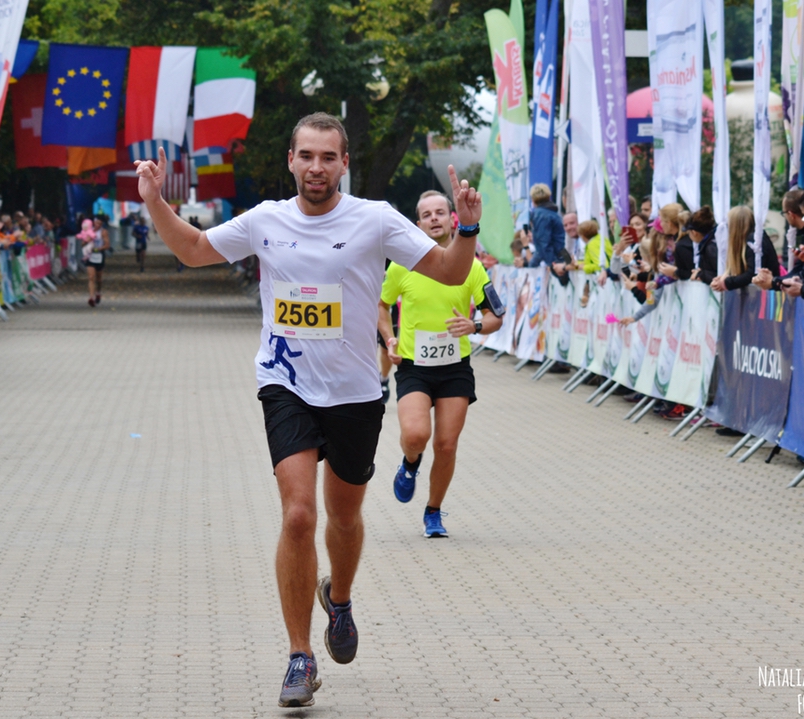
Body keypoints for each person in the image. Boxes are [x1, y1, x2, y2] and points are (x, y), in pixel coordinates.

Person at [134, 112, 481, 709]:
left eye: (328, 157)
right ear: (290, 160)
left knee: (343, 518)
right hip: (286, 384)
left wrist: (467, 227)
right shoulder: (267, 219)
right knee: (298, 515)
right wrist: (153, 200)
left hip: (355, 393)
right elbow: (193, 249)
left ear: (344, 163)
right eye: (306, 156)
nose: (316, 167)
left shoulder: (375, 219)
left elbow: (450, 271)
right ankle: (300, 655)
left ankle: (338, 599)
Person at [379, 190, 504, 538]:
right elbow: (381, 304)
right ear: (418, 224)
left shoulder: (472, 267)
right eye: (426, 214)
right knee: (416, 435)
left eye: (440, 212)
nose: (434, 218)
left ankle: (433, 511)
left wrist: (474, 326)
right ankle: (410, 463)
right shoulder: (402, 265)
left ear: (452, 219)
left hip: (454, 368)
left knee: (446, 445)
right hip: (414, 366)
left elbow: (495, 316)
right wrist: (389, 338)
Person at [710, 206, 780, 292]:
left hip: (768, 294)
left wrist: (726, 282)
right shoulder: (752, 239)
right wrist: (725, 279)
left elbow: (752, 274)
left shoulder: (754, 243)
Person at [674, 206, 718, 284]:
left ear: (694, 233)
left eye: (689, 232)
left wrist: (700, 274)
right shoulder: (710, 244)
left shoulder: (710, 248)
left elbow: (719, 274)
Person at [526, 183, 565, 269]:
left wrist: (552, 264)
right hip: (561, 255)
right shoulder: (554, 213)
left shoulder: (540, 214)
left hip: (556, 258)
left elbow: (544, 243)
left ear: (533, 199)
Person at [82, 218, 109, 307]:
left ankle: (98, 292)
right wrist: (87, 240)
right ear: (93, 223)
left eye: (100, 224)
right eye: (97, 223)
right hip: (90, 256)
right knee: (91, 277)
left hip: (99, 256)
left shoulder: (103, 232)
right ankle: (91, 298)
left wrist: (99, 249)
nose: (98, 225)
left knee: (99, 279)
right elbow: (82, 243)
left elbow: (107, 245)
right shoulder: (88, 230)